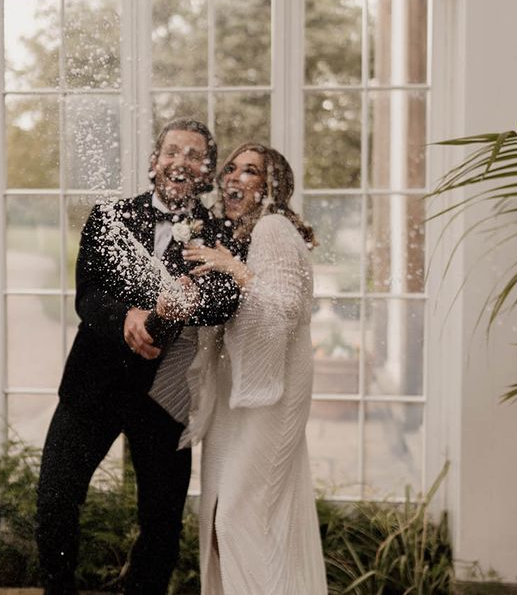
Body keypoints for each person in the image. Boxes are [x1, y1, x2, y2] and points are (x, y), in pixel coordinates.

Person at [35, 118, 241, 595]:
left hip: (165, 394)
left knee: (162, 517)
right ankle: (58, 588)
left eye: (194, 155)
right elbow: (86, 297)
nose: (181, 161)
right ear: (154, 163)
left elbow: (225, 300)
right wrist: (126, 316)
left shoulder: (217, 233)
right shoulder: (110, 217)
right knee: (56, 497)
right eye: (173, 151)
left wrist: (190, 302)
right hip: (94, 384)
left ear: (206, 174)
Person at [181, 142, 329, 594]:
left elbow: (284, 308)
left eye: (250, 171)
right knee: (222, 517)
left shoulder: (272, 228)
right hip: (236, 392)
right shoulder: (241, 234)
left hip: (271, 395)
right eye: (230, 169)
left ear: (270, 187)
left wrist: (234, 269)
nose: (234, 178)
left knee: (241, 518)